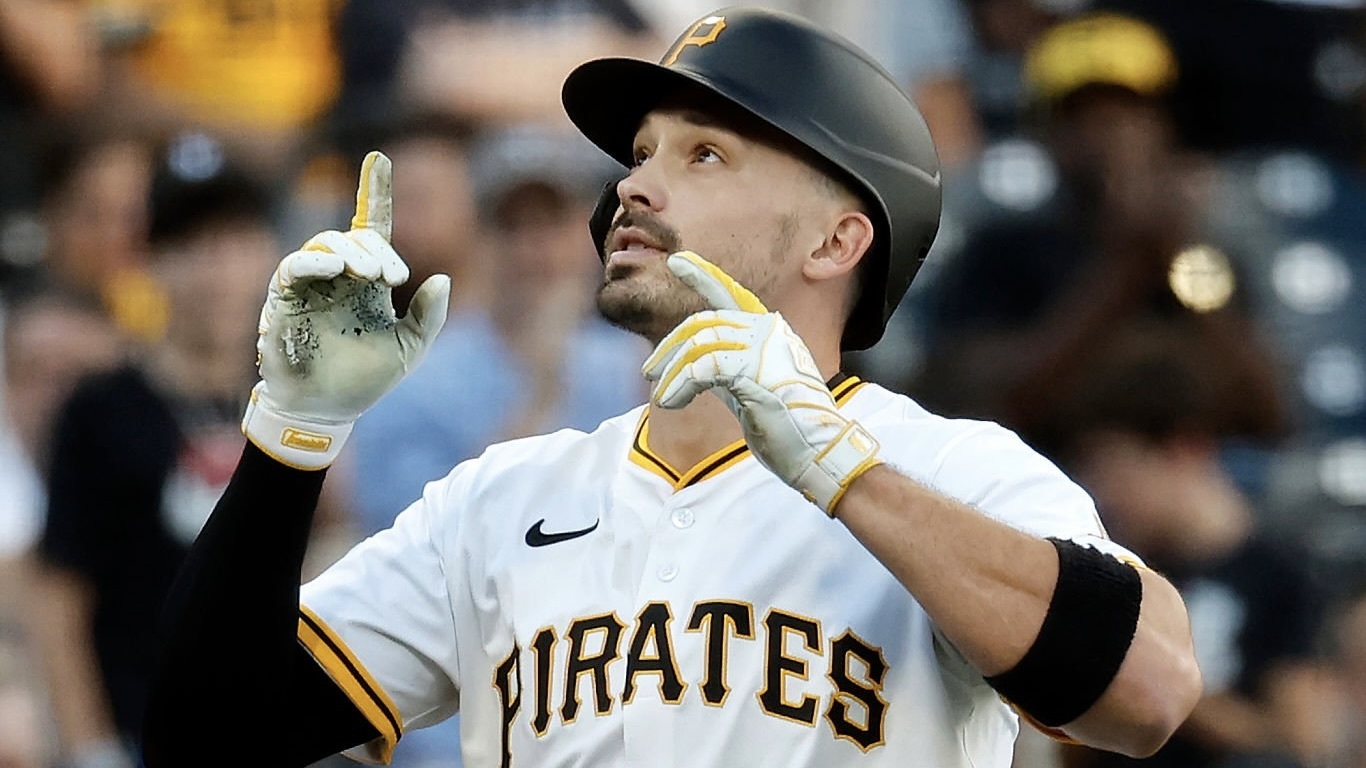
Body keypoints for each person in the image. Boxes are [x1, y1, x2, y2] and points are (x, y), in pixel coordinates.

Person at [141, 8, 1202, 767]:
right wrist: (291, 437)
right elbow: (205, 740)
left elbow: (1148, 692)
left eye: (704, 156)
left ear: (840, 238)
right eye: (640, 153)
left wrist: (848, 480)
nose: (635, 183)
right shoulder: (499, 499)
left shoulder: (946, 469)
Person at [1036, 323, 1336, 768]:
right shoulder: (1114, 566)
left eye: (1116, 469)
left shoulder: (1280, 577)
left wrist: (1162, 682)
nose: (1102, 493)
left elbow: (1300, 747)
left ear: (1183, 449)